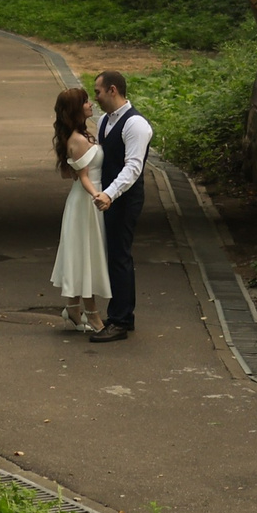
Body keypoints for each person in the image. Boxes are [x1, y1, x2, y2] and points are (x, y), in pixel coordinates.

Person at [85, 69, 150, 343]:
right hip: (108, 199)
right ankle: (122, 315)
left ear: (113, 90)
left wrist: (110, 194)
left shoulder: (136, 125)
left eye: (98, 91)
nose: (95, 97)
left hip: (125, 199)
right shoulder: (103, 121)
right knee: (113, 255)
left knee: (120, 255)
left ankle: (121, 321)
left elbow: (133, 167)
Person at [47, 86, 109, 331]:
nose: (90, 104)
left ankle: (73, 309)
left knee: (84, 254)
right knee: (86, 256)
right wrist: (97, 195)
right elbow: (82, 176)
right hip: (85, 203)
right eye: (85, 101)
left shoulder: (81, 135)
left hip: (86, 201)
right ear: (76, 108)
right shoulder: (78, 140)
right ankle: (92, 315)